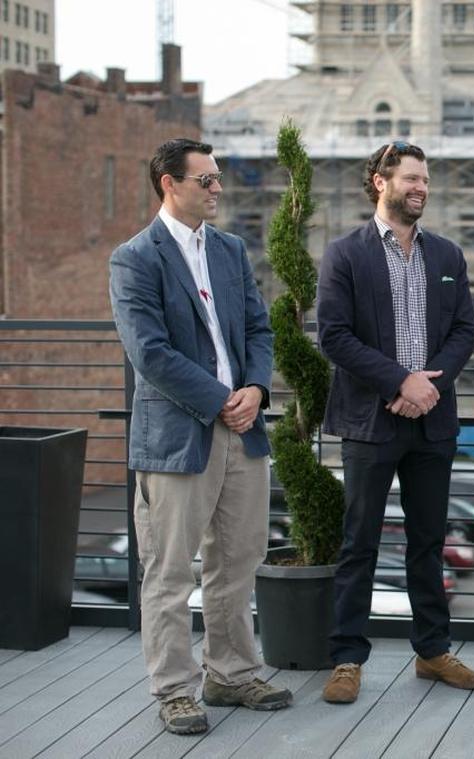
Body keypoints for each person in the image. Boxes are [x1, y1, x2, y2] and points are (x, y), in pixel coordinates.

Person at [109, 138, 291, 735]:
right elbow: (150, 354)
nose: (218, 189)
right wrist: (222, 401)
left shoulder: (232, 250)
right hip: (178, 439)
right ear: (170, 183)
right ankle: (175, 690)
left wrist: (257, 391)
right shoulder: (135, 258)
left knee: (238, 560)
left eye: (217, 180)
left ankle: (232, 673)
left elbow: (259, 329)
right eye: (207, 180)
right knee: (168, 571)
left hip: (244, 430)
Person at [317, 142, 474, 703]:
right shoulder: (345, 254)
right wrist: (399, 381)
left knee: (428, 541)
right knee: (358, 543)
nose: (421, 188)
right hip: (371, 421)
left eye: (426, 180)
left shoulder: (447, 256)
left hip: (432, 421)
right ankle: (346, 659)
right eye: (411, 178)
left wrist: (428, 387)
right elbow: (335, 335)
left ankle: (433, 652)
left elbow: (465, 330)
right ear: (379, 181)